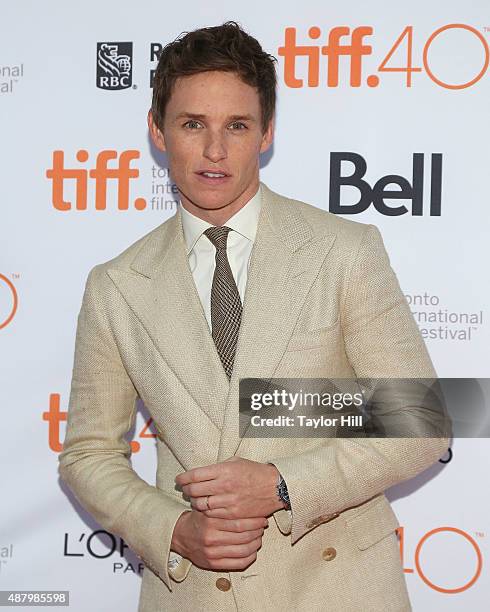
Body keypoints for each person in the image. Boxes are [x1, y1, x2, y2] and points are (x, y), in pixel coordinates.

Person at [58, 21, 448, 611]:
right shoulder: (116, 284)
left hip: (337, 588)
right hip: (193, 591)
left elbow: (422, 421)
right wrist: (172, 529)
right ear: (158, 131)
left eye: (236, 126)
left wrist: (281, 484)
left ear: (265, 132)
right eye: (194, 124)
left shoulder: (344, 250)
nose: (215, 151)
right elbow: (89, 453)